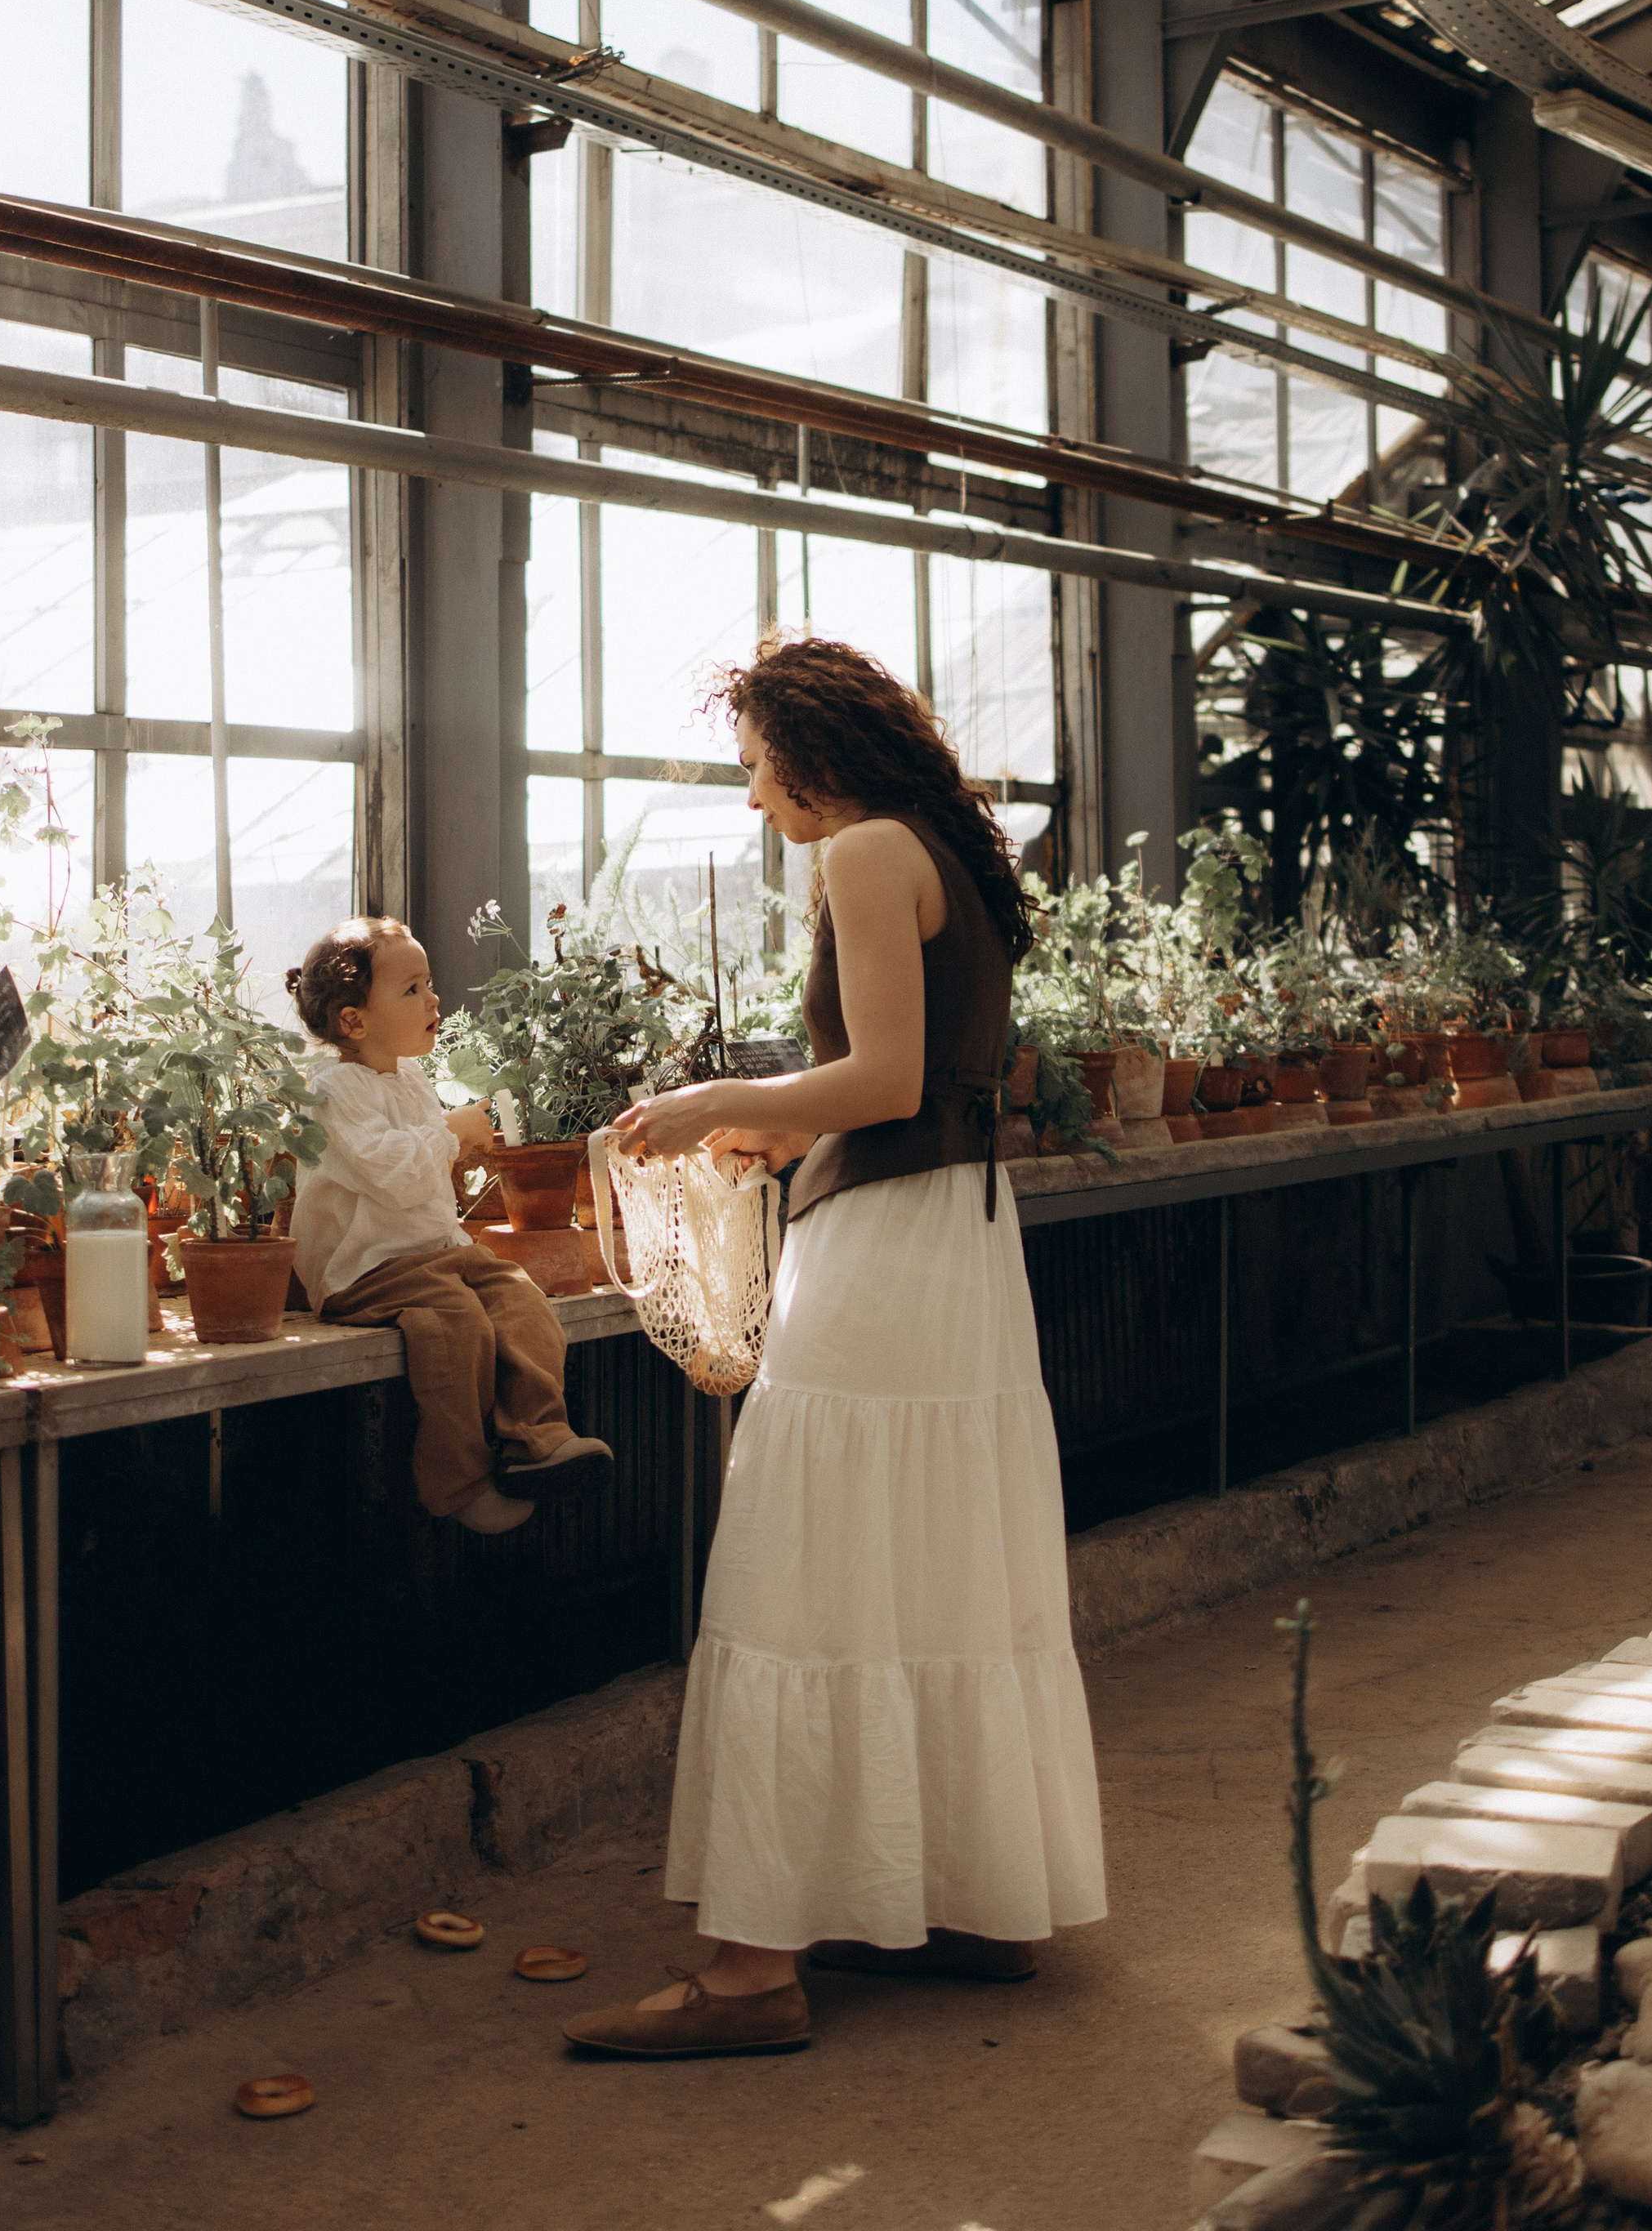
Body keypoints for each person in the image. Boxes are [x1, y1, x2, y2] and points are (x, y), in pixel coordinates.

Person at [563, 636, 1105, 2061]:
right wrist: (784, 1126)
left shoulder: (862, 852)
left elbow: (889, 1076)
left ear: (812, 754)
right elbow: (935, 1082)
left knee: (804, 1564)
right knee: (931, 1558)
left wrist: (706, 1104)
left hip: (883, 1254)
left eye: (755, 768)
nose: (753, 801)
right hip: (957, 1243)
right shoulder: (940, 847)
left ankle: (752, 1974)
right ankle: (975, 1905)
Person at [284, 917, 613, 1537]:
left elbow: (426, 1184)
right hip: (366, 1268)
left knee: (521, 1299)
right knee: (453, 1326)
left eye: (429, 983)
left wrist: (459, 1148)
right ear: (354, 1021)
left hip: (432, 1254)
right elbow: (392, 1175)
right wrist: (449, 1136)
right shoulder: (330, 1092)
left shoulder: (408, 1079)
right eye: (411, 990)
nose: (433, 998)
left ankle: (538, 1439)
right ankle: (457, 1481)